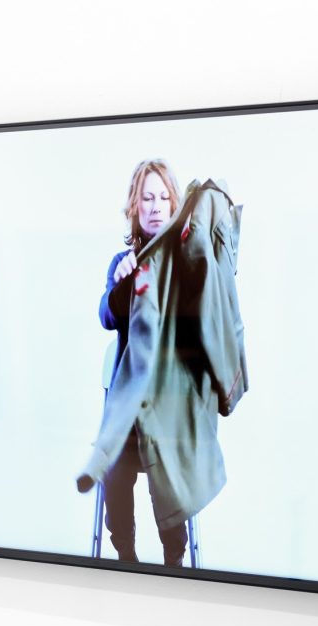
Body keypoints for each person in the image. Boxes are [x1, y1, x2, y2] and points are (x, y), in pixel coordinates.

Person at [97, 159, 189, 566]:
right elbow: (106, 317)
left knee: (167, 471)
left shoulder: (189, 261)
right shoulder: (122, 261)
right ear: (135, 206)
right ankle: (126, 558)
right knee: (114, 470)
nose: (155, 206)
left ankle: (174, 562)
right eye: (147, 198)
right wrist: (121, 284)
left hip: (170, 412)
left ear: (173, 205)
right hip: (127, 416)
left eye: (163, 197)